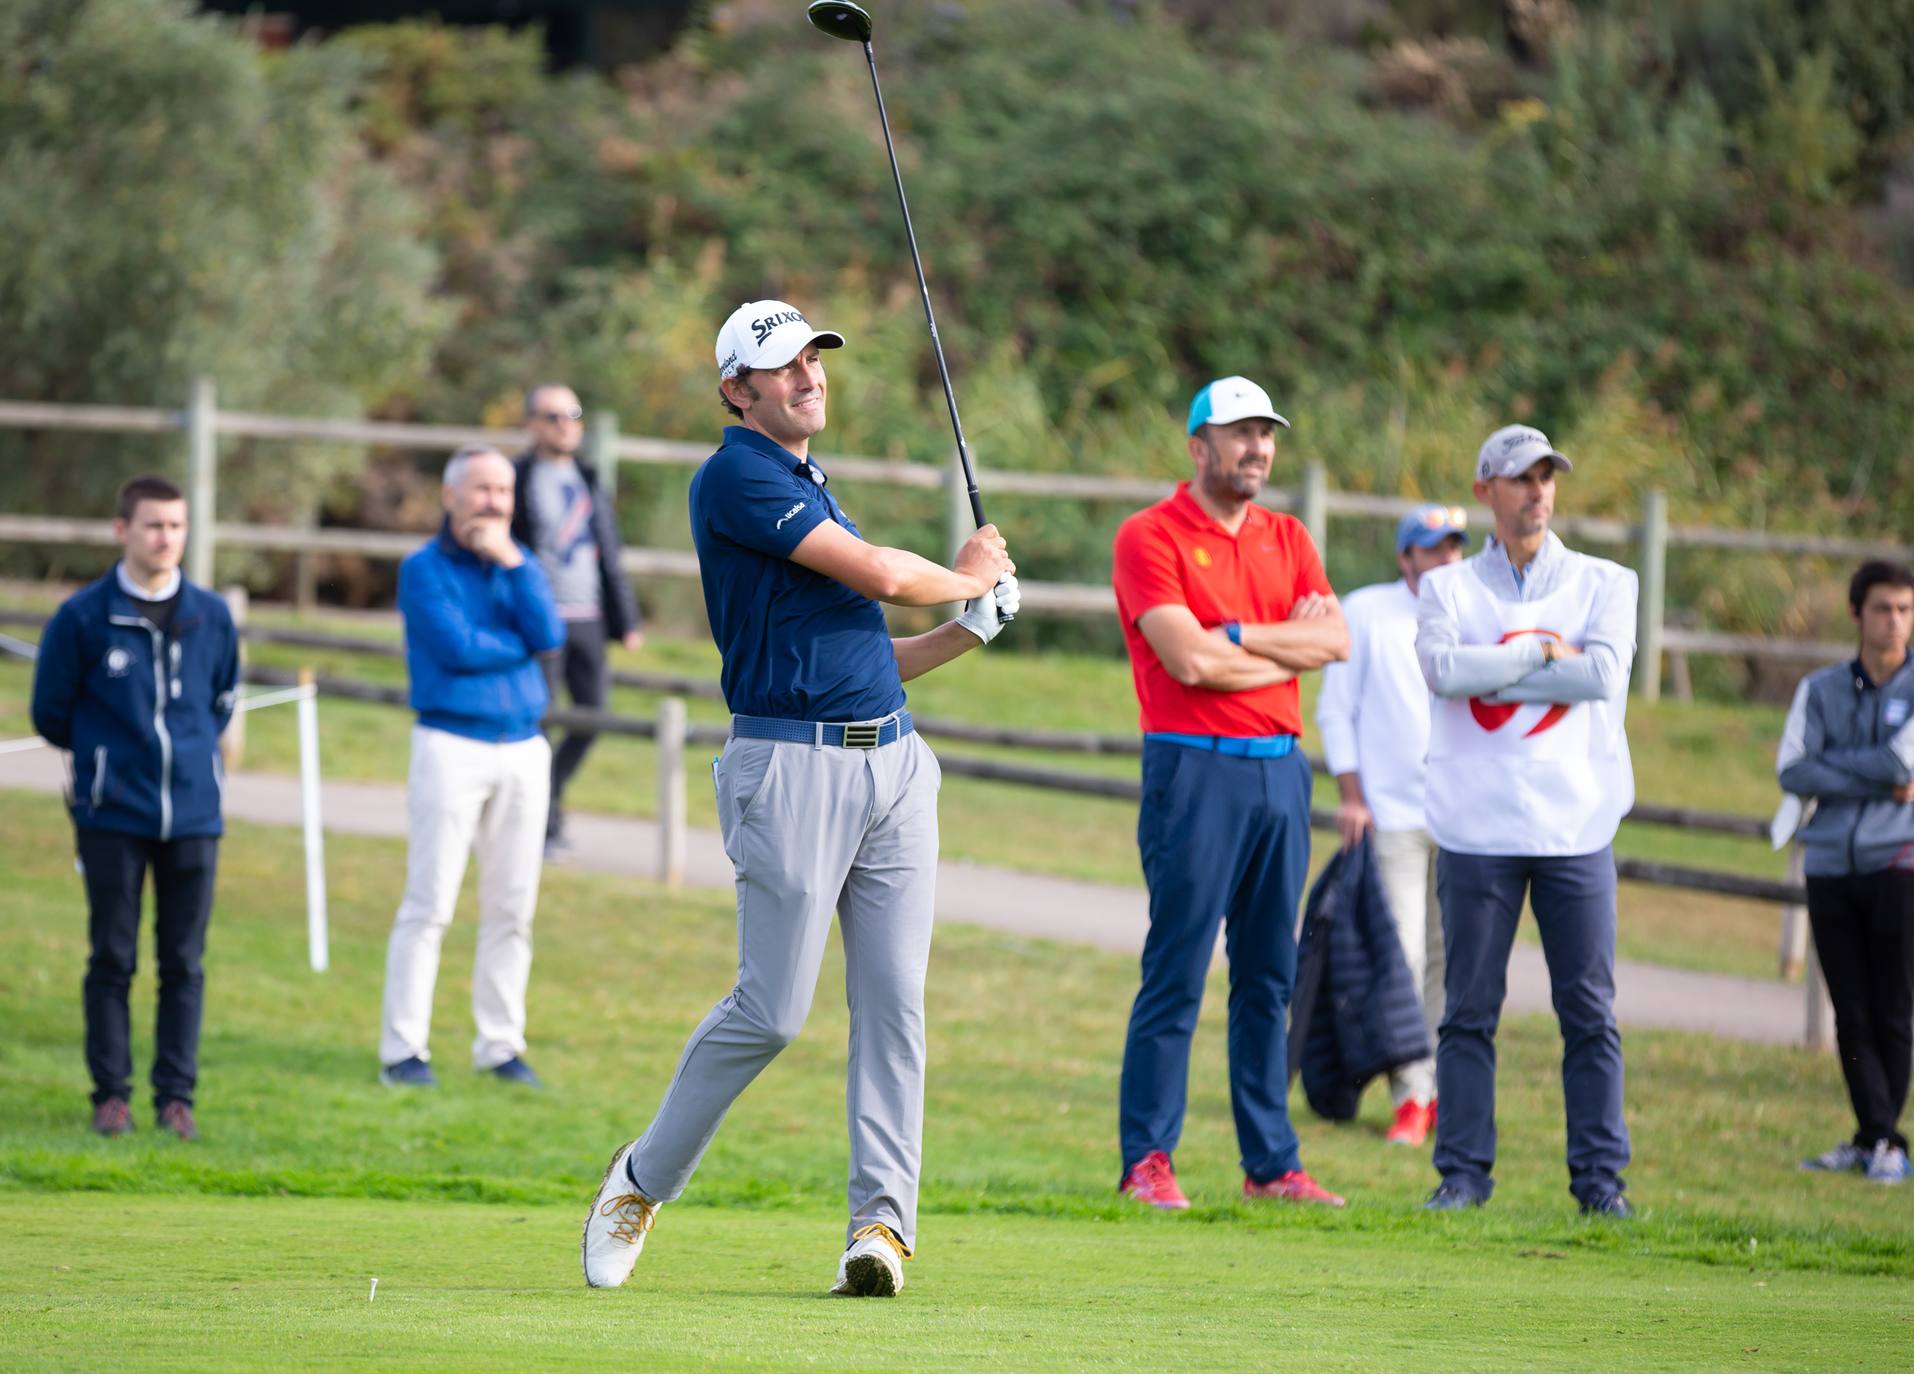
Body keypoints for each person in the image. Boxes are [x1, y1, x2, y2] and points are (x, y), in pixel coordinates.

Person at [581, 299, 1019, 1297]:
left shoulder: (809, 484)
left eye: (816, 359)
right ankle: (642, 1178)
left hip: (894, 765)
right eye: (784, 366)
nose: (809, 376)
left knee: (894, 1004)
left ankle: (880, 1228)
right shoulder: (737, 478)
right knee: (773, 1010)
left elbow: (865, 662)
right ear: (737, 390)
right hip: (787, 771)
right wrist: (965, 574)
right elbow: (882, 577)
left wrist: (968, 627)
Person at [1109, 375, 1350, 1211]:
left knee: (1268, 974)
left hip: (1282, 769)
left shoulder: (1289, 536)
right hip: (1193, 768)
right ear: (1199, 445)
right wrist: (1283, 651)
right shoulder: (1149, 535)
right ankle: (1147, 1161)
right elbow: (1188, 661)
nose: (1257, 448)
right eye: (1240, 432)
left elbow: (1336, 640)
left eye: (1266, 433)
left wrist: (1239, 637)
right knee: (1177, 968)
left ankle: (1271, 1164)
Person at [1414, 424, 1637, 1216]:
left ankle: (1600, 1185)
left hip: (1576, 827)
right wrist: (1544, 657)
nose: (1538, 490)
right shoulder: (1445, 589)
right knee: (1468, 1014)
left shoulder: (1608, 582)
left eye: (1546, 476)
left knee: (1589, 1014)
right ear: (1487, 491)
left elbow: (1601, 676)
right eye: (1521, 477)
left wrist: (1493, 670)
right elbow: (1443, 672)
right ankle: (1462, 1177)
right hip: (1476, 829)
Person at [30, 474, 240, 1141]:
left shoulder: (212, 615)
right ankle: (111, 1097)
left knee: (184, 964)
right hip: (112, 815)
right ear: (123, 530)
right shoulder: (82, 617)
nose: (166, 538)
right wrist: (108, 759)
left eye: (176, 526)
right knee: (112, 959)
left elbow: (221, 700)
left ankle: (175, 1099)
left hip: (194, 817)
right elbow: (51, 712)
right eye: (153, 525)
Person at [378, 446, 564, 1090]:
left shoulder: (520, 564)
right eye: (481, 489)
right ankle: (404, 1050)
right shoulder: (422, 569)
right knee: (429, 903)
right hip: (450, 744)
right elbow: (456, 648)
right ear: (449, 495)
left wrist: (513, 564)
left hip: (524, 748)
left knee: (513, 908)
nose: (492, 502)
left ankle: (500, 1046)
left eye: (502, 491)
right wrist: (519, 644)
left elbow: (550, 635)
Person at [1315, 503, 1469, 1148]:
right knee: (1402, 953)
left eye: (1454, 547)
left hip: (1464, 816)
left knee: (1450, 959)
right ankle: (1410, 1093)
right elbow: (1336, 709)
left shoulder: (1475, 613)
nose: (1446, 559)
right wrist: (1352, 796)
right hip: (1393, 815)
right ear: (1406, 556)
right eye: (1433, 548)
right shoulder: (1368, 611)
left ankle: (1436, 1092)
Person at [1778, 559, 1914, 1186]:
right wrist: (1878, 777)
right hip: (1830, 863)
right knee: (1850, 1011)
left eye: (1905, 610)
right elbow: (1793, 771)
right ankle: (1874, 1138)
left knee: (1894, 1008)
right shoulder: (1820, 689)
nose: (1895, 621)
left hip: (1898, 863)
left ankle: (1882, 1138)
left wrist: (1839, 766)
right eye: (1883, 608)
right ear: (1857, 613)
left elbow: (1900, 763)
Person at [510, 384, 644, 855]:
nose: (565, 424)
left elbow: (608, 551)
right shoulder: (517, 478)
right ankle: (543, 825)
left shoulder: (588, 477)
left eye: (572, 414)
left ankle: (547, 793)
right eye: (552, 416)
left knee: (593, 716)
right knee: (542, 721)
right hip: (541, 618)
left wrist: (626, 619)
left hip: (590, 616)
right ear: (532, 424)